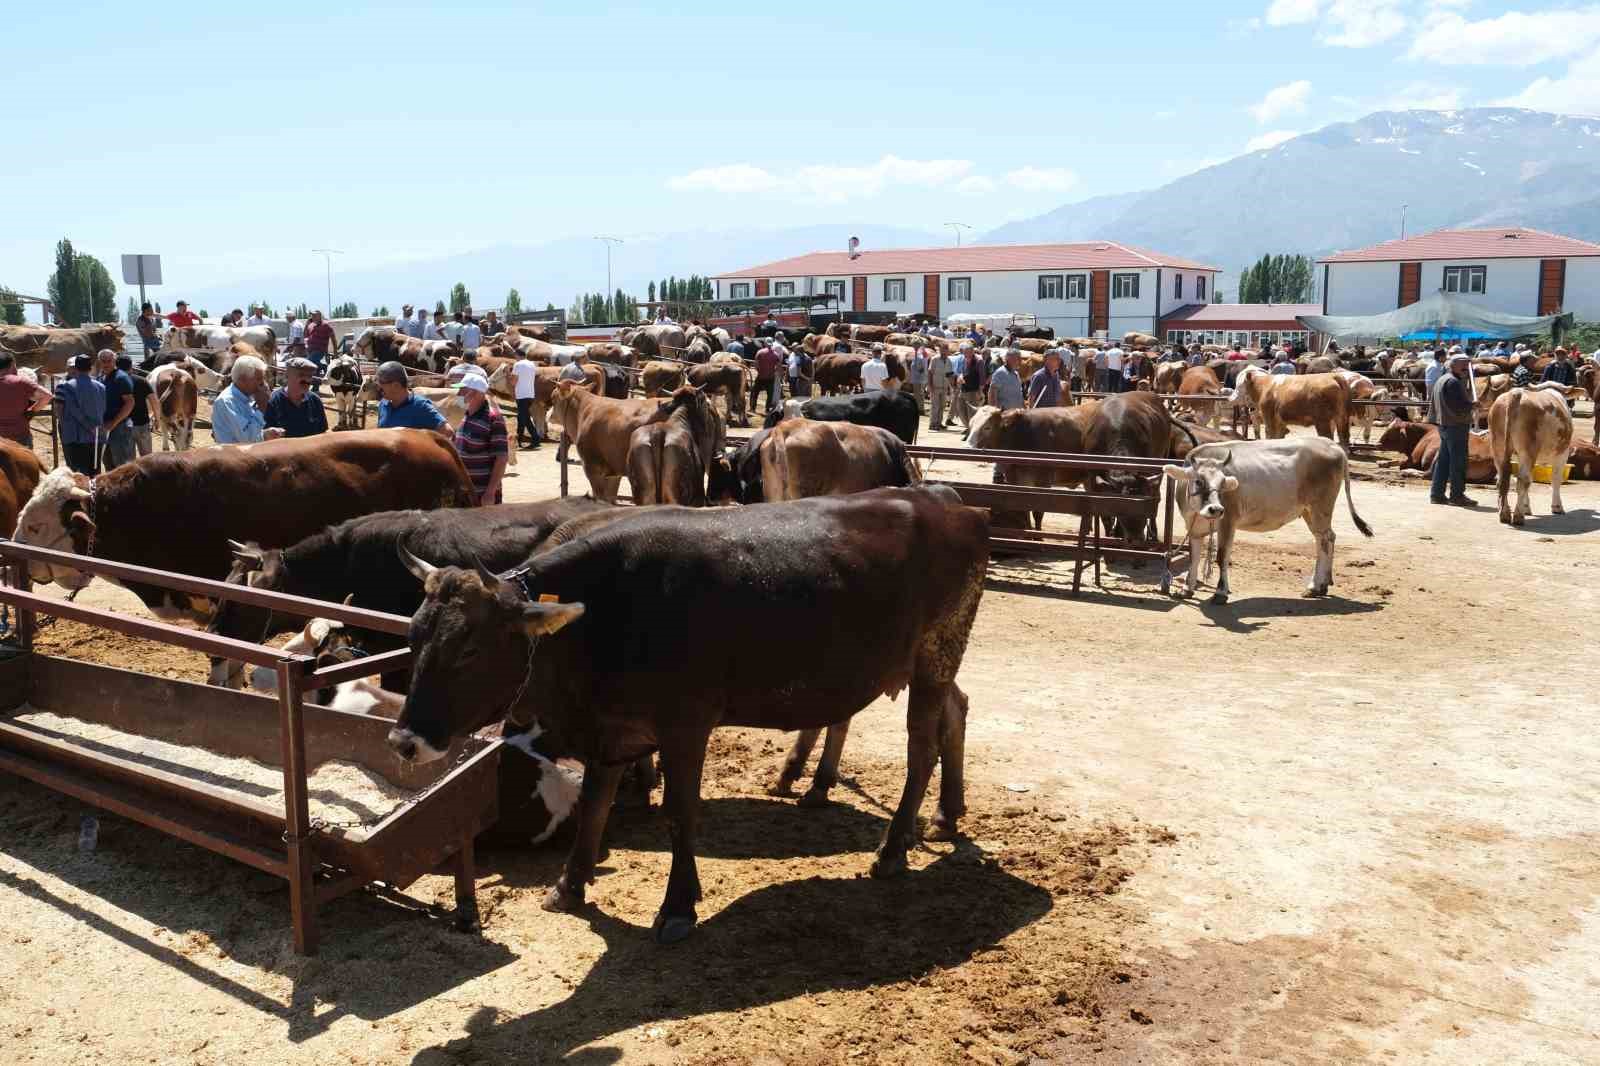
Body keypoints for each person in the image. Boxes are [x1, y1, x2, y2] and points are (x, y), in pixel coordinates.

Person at [453, 369, 509, 506]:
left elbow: (501, 458)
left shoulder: (494, 419)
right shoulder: (467, 415)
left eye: (462, 390)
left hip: (482, 495)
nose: (458, 394)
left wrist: (490, 493)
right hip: (465, 493)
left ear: (474, 392)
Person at [1430, 352, 1476, 506]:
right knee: (1458, 462)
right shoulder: (1453, 382)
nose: (1466, 367)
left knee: (1443, 461)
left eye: (1467, 364)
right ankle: (1457, 495)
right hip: (1456, 426)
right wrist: (1473, 405)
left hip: (1444, 425)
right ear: (1453, 365)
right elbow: (1459, 407)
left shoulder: (1442, 379)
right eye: (1463, 364)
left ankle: (1437, 494)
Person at [55, 354, 107, 475]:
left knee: (76, 473)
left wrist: (64, 426)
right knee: (94, 471)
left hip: (74, 436)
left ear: (76, 368)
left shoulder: (65, 386)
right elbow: (103, 409)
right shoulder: (101, 386)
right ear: (91, 368)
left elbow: (66, 410)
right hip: (96, 436)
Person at [212, 356, 281, 445]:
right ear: (243, 379)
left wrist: (265, 434)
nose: (263, 383)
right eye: (259, 379)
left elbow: (251, 433)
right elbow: (247, 439)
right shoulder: (226, 401)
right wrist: (262, 406)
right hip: (232, 456)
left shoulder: (249, 397)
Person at [373, 361, 450, 437]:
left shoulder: (420, 406)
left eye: (381, 383)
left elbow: (447, 431)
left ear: (396, 385)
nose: (378, 387)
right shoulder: (383, 404)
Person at [264, 358, 329, 438]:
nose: (307, 380)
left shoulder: (315, 400)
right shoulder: (274, 400)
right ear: (287, 375)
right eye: (301, 375)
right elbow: (267, 437)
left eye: (310, 376)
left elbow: (323, 432)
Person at [0, 352, 54, 447]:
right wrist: (32, 410)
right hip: (20, 436)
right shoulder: (20, 381)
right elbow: (47, 396)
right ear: (12, 364)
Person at [98, 348, 137, 468]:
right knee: (109, 464)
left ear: (114, 361)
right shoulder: (101, 378)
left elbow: (129, 403)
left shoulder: (121, 378)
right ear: (99, 362)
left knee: (124, 466)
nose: (106, 363)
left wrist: (114, 423)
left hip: (120, 427)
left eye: (109, 360)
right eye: (103, 361)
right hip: (106, 427)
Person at [119, 355, 155, 457]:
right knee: (147, 457)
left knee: (129, 459)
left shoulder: (115, 381)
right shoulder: (141, 380)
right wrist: (156, 417)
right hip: (142, 423)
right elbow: (154, 400)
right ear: (131, 367)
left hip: (123, 425)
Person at [511, 348, 542, 449]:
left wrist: (508, 374)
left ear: (518, 355)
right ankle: (525, 439)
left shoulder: (517, 364)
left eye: (515, 355)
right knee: (524, 417)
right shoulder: (532, 364)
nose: (515, 357)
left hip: (521, 394)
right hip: (530, 394)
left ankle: (530, 439)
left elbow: (514, 381)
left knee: (523, 418)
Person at [958, 342, 984, 426]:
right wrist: (960, 376)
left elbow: (982, 377)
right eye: (965, 352)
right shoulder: (963, 359)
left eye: (968, 352)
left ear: (972, 352)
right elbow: (960, 371)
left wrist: (980, 392)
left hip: (974, 390)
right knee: (961, 409)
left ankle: (971, 428)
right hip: (963, 389)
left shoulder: (979, 361)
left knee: (971, 411)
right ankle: (967, 426)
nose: (965, 354)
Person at [927, 344, 953, 429]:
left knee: (942, 406)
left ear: (947, 351)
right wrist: (930, 385)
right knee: (935, 406)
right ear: (940, 350)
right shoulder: (935, 359)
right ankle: (933, 424)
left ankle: (939, 423)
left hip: (945, 387)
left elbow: (950, 375)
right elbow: (930, 373)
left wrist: (950, 387)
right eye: (942, 349)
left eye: (946, 349)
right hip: (935, 386)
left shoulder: (949, 361)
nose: (944, 351)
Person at [753, 341, 781, 412]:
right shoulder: (775, 355)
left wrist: (759, 371)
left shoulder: (760, 352)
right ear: (771, 346)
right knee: (770, 394)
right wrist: (773, 371)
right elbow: (778, 366)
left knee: (755, 392)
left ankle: (753, 407)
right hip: (770, 376)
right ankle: (767, 408)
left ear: (765, 345)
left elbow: (756, 364)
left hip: (761, 376)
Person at [1423, 349, 1449, 421]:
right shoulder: (1433, 367)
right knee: (1432, 405)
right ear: (1440, 357)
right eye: (1445, 356)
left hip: (1437, 390)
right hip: (1434, 391)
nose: (1446, 358)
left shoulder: (1439, 365)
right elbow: (1430, 383)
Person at [907, 344, 928, 409]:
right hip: (920, 379)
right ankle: (920, 407)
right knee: (920, 393)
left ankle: (918, 407)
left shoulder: (920, 358)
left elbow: (921, 369)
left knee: (918, 394)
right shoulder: (921, 358)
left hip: (918, 379)